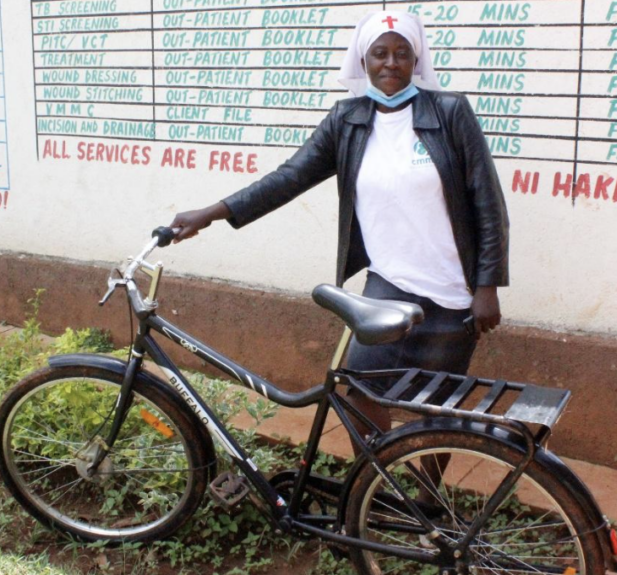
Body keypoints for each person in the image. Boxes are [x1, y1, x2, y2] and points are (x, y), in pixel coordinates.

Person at [170, 11, 509, 449]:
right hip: (387, 284)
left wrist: (488, 286)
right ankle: (375, 487)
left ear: (416, 60)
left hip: (452, 291)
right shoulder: (346, 120)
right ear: (363, 60)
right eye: (380, 53)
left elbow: (488, 202)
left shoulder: (449, 112)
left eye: (402, 53)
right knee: (359, 392)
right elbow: (289, 177)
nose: (391, 63)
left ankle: (428, 501)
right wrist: (214, 212)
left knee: (441, 406)